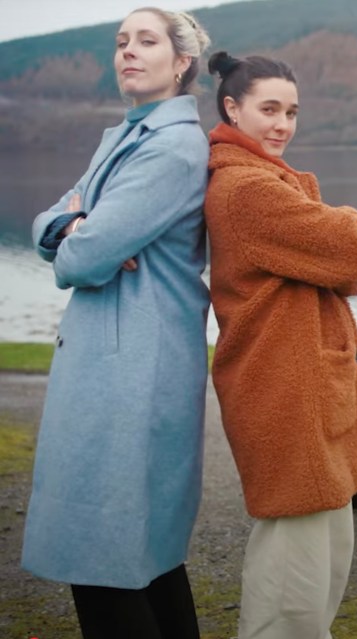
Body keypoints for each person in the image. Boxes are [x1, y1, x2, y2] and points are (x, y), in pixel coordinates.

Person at [22, 8, 211, 639]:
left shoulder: (173, 146)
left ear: (181, 62)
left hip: (134, 367)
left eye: (146, 41)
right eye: (121, 41)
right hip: (117, 358)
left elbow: (84, 257)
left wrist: (79, 235)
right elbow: (49, 224)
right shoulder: (126, 137)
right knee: (141, 557)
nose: (128, 51)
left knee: (105, 555)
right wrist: (73, 226)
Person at [203, 51, 357, 639]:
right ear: (232, 108)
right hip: (283, 393)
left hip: (303, 387)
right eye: (269, 109)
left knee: (322, 554)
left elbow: (340, 267)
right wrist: (345, 224)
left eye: (291, 112)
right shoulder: (248, 189)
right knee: (294, 579)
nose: (283, 124)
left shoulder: (268, 183)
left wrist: (329, 253)